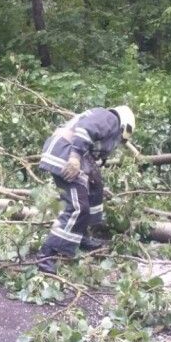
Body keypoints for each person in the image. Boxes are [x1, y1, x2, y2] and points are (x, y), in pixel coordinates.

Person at [36, 106, 136, 274]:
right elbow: (85, 130)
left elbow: (93, 145)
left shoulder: (104, 118)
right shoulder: (110, 118)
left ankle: (82, 235)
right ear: (124, 127)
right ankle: (46, 256)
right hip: (66, 154)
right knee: (77, 206)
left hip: (65, 151)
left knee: (95, 187)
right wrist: (75, 157)